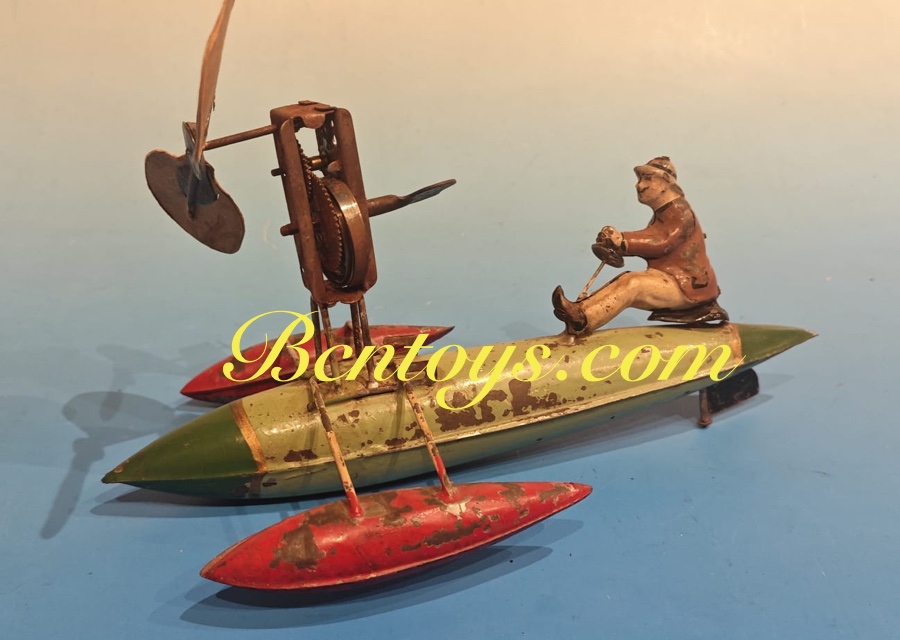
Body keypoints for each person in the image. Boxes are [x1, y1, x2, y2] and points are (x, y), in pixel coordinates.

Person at [552, 156, 727, 336]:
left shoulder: (679, 212)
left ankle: (582, 319)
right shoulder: (666, 212)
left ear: (666, 183)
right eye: (639, 179)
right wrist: (617, 244)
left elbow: (662, 241)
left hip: (687, 285)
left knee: (634, 285)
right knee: (627, 279)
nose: (639, 185)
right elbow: (653, 238)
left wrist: (623, 240)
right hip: (672, 278)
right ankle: (579, 312)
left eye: (647, 179)